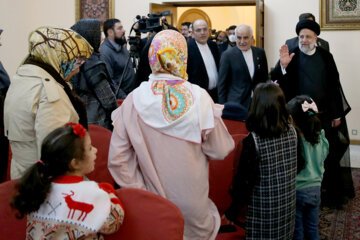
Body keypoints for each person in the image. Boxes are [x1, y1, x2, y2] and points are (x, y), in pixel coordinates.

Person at [108, 29, 234, 240]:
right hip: (192, 202)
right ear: (183, 56)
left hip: (151, 202)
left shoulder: (133, 100)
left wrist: (142, 191)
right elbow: (220, 149)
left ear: (152, 57)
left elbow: (118, 159)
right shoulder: (199, 97)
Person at [271, 19, 353, 209]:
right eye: (301, 37)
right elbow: (277, 82)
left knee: (325, 153)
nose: (304, 40)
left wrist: (337, 114)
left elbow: (334, 87)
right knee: (302, 154)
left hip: (323, 115)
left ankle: (325, 193)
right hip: (298, 118)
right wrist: (283, 67)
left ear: (316, 38)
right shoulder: (292, 56)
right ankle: (300, 192)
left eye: (308, 36)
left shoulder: (326, 56)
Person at [4, 26, 93, 179]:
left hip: (22, 176)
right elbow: (56, 153)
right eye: (76, 63)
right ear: (58, 57)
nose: (77, 71)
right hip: (45, 185)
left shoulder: (22, 78)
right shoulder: (48, 91)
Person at [11, 123, 125, 239]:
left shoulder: (39, 187)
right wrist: (109, 193)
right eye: (90, 148)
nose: (95, 150)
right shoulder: (90, 192)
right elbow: (113, 223)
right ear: (74, 163)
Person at [225, 82, 298, 240]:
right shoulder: (292, 131)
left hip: (263, 215)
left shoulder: (252, 142)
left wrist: (231, 213)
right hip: (287, 207)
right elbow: (301, 164)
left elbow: (243, 185)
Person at [287, 95, 329, 240]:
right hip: (315, 190)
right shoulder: (321, 138)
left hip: (297, 192)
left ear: (292, 120)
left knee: (297, 232)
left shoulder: (293, 141)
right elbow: (324, 156)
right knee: (312, 229)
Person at [70, 19, 118, 130]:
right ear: (90, 37)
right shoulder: (94, 64)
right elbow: (108, 101)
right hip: (98, 123)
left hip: (79, 121)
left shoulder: (74, 59)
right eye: (99, 34)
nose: (101, 38)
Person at [218, 25, 268, 110]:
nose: (242, 41)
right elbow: (222, 85)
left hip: (257, 104)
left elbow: (264, 78)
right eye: (239, 38)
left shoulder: (260, 53)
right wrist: (222, 108)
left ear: (252, 38)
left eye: (245, 38)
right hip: (236, 104)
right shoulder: (227, 55)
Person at [100, 19, 136, 99]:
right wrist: (124, 98)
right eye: (119, 28)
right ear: (110, 32)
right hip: (121, 100)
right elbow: (110, 81)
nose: (124, 30)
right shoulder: (105, 52)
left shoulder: (121, 46)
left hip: (131, 96)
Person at [187, 19, 220, 102]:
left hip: (215, 94)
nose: (202, 32)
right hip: (198, 97)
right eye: (198, 30)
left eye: (205, 29)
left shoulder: (213, 46)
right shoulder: (187, 49)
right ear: (193, 33)